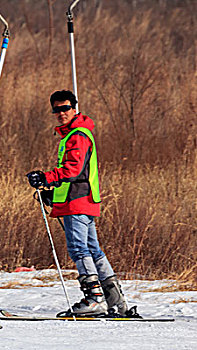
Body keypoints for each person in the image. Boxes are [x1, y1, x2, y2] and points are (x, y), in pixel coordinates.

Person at [26, 90, 128, 316]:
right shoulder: (71, 134)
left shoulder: (77, 135)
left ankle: (94, 299)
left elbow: (73, 169)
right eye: (56, 110)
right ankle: (116, 302)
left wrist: (46, 178)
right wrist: (53, 194)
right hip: (80, 200)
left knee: (79, 249)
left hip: (78, 202)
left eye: (65, 108)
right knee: (93, 249)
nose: (61, 113)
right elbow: (76, 174)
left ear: (74, 109)